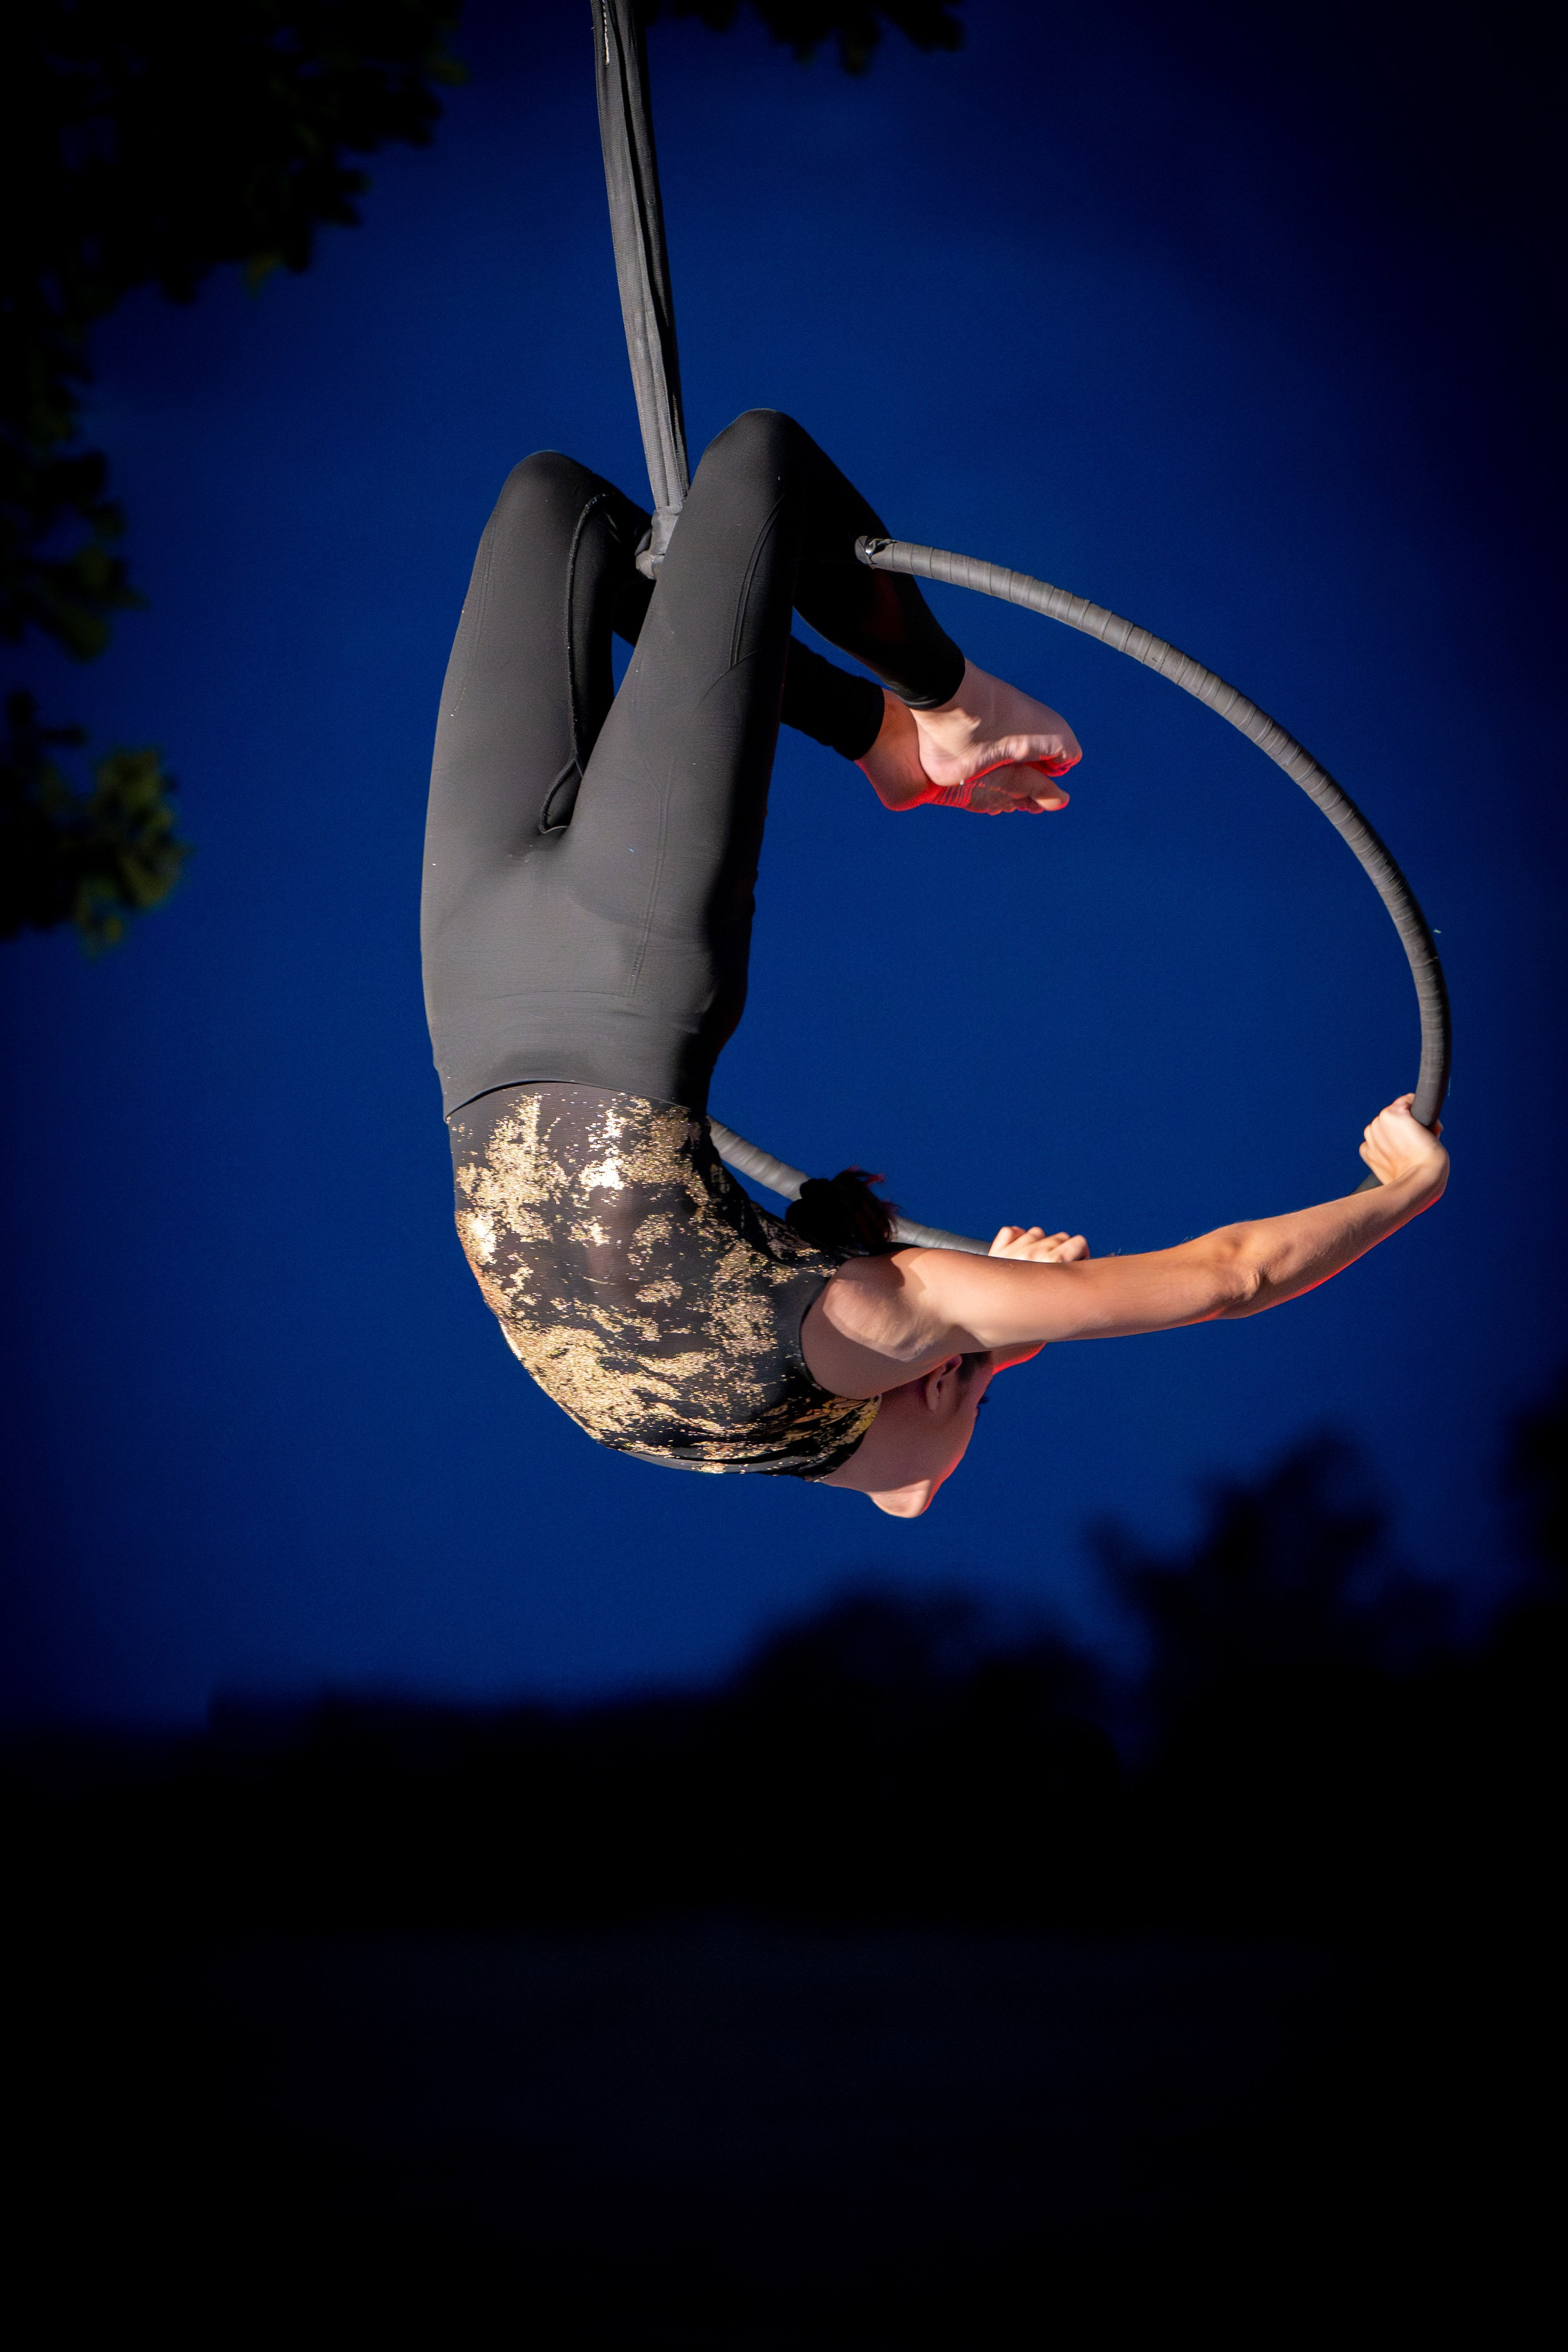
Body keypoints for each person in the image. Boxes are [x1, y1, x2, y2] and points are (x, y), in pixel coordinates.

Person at [421, 410, 1447, 1517]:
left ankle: (928, 719)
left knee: (559, 500)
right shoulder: (775, 1382)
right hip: (606, 988)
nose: (971, 1386)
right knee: (719, 479)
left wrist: (1398, 1197)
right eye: (983, 1392)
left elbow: (1228, 1282)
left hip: (478, 982)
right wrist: (991, 1331)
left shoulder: (866, 1344)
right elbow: (1214, 1282)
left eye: (970, 1402)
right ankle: (911, 727)